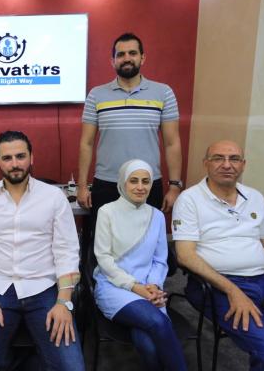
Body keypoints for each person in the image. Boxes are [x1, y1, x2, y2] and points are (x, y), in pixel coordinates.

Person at [173, 140, 264, 370]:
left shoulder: (255, 197)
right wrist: (233, 291)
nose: (227, 164)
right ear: (206, 163)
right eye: (218, 158)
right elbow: (185, 256)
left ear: (243, 164)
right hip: (218, 288)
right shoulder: (189, 199)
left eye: (234, 159)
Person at [0, 130, 85, 371]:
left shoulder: (54, 197)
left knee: (72, 367)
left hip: (45, 288)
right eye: (7, 158)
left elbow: (67, 251)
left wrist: (64, 302)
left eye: (20, 156)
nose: (15, 164)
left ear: (31, 157)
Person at [93, 159, 187, 371]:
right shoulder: (107, 212)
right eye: (133, 181)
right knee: (157, 323)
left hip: (149, 288)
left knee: (149, 346)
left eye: (145, 181)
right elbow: (103, 259)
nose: (140, 187)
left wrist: (153, 285)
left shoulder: (157, 216)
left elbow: (160, 260)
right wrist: (135, 287)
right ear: (123, 183)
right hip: (114, 286)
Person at [77, 32, 183, 219]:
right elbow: (86, 143)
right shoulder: (96, 95)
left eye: (132, 53)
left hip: (147, 183)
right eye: (120, 54)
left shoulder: (163, 93)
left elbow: (172, 143)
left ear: (142, 58)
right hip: (107, 184)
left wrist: (174, 187)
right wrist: (82, 186)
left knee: (147, 237)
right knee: (105, 237)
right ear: (113, 61)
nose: (127, 58)